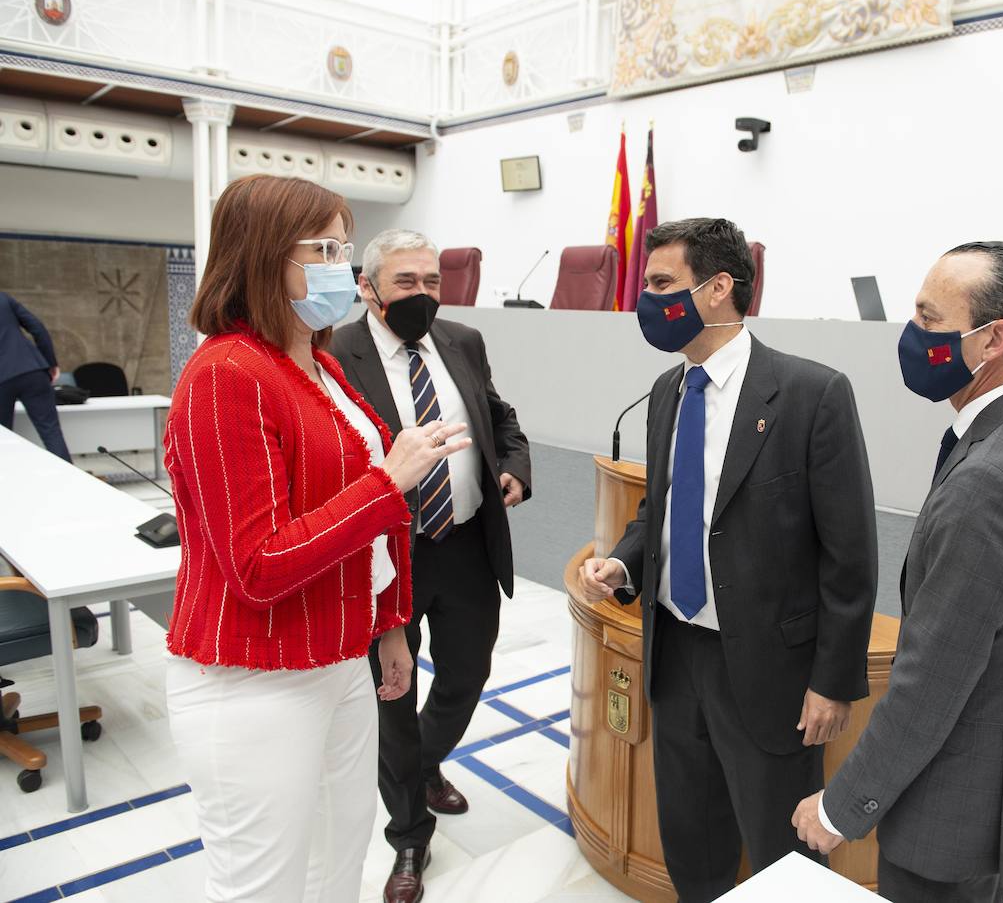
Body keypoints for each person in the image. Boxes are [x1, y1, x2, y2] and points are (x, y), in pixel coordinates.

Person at [162, 174, 472, 903]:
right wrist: (387, 482)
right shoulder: (225, 375)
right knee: (264, 884)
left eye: (344, 247)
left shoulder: (318, 364)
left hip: (339, 656)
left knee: (337, 863)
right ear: (263, 256)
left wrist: (389, 623)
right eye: (324, 249)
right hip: (255, 675)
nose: (342, 265)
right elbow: (258, 564)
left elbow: (367, 525)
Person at [573, 218, 879, 903]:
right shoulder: (667, 390)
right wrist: (624, 563)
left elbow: (850, 553)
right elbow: (663, 506)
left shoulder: (811, 394)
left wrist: (833, 681)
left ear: (717, 288)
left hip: (770, 671)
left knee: (781, 856)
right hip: (676, 656)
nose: (646, 299)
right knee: (692, 836)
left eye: (661, 283)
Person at [792, 242, 1003, 903]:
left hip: (952, 810)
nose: (912, 334)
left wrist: (841, 807)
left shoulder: (990, 480)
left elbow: (931, 679)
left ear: (994, 339)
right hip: (1002, 787)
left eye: (930, 319)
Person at [330, 229, 531, 903]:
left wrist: (514, 467)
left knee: (467, 674)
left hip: (465, 544)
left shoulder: (463, 341)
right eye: (406, 282)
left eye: (432, 281)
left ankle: (419, 765)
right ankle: (410, 835)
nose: (424, 294)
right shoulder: (335, 353)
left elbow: (500, 417)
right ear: (368, 288)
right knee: (393, 694)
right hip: (387, 555)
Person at [0, 289, 71, 460]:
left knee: (3, 437)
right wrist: (50, 362)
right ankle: (69, 475)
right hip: (32, 370)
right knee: (51, 431)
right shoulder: (2, 298)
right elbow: (37, 328)